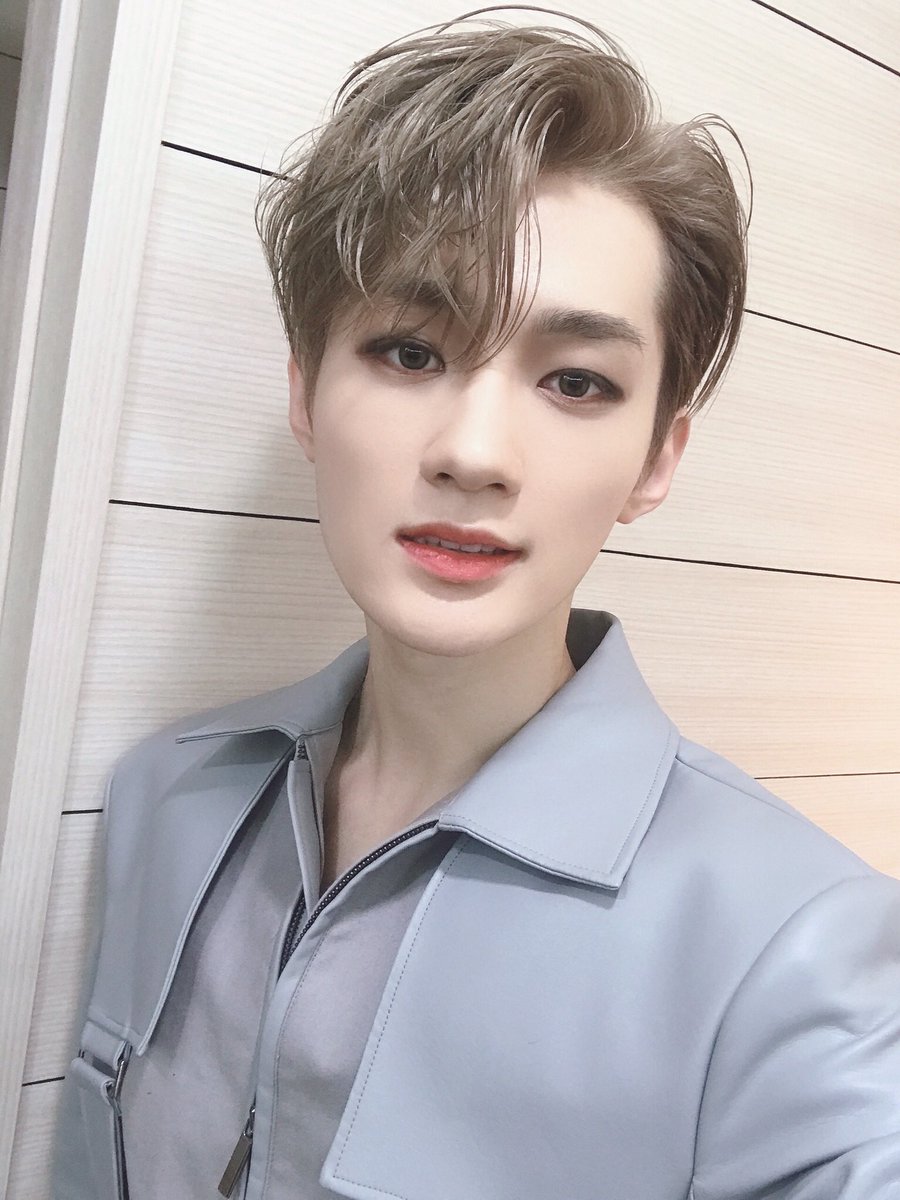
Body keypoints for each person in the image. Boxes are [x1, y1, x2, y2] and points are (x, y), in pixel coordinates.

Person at [53, 8, 900, 1199]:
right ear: (305, 392)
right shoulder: (171, 796)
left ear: (657, 460)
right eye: (410, 351)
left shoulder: (802, 949)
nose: (474, 452)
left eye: (576, 381)